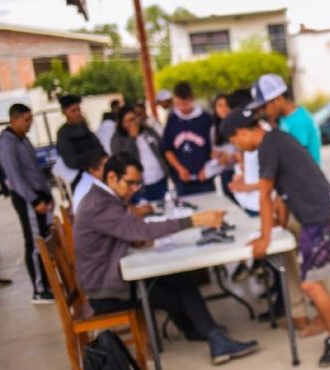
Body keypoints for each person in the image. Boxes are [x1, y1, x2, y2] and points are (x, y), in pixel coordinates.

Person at [74, 153, 259, 365]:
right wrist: (194, 220)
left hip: (106, 281)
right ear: (112, 177)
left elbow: (124, 231)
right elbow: (140, 229)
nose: (135, 189)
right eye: (131, 183)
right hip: (105, 293)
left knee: (178, 279)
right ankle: (211, 336)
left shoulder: (103, 198)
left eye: (138, 184)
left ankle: (203, 331)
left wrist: (133, 239)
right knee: (179, 283)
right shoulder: (100, 204)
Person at [221, 108, 330, 367]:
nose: (236, 148)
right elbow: (282, 192)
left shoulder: (267, 146)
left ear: (242, 132)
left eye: (234, 142)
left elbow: (264, 193)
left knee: (310, 285)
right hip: (327, 211)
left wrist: (265, 237)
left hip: (318, 218)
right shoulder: (277, 139)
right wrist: (276, 225)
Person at [0, 103, 54, 304]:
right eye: (26, 120)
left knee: (45, 241)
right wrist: (34, 199)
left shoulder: (22, 140)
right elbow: (15, 178)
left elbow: (34, 171)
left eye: (31, 119)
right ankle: (39, 289)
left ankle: (48, 284)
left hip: (38, 195)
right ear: (14, 120)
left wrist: (46, 194)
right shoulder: (7, 145)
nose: (30, 124)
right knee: (35, 243)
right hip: (26, 199)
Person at [246, 74, 322, 165]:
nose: (262, 111)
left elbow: (291, 158)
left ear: (278, 99)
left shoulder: (299, 121)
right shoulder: (284, 118)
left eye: (264, 106)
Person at [162, 82, 216, 196]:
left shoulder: (206, 119)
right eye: (178, 104)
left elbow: (215, 149)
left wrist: (208, 169)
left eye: (185, 104)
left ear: (192, 99)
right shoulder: (172, 120)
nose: (182, 108)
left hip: (205, 179)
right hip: (182, 181)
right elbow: (167, 149)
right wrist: (180, 169)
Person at [111, 104, 169, 203]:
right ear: (121, 123)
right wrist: (132, 138)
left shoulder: (148, 130)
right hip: (139, 186)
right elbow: (122, 159)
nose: (133, 123)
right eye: (128, 121)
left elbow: (161, 147)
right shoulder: (117, 139)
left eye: (134, 119)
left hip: (159, 180)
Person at [55, 95, 105, 176]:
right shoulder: (63, 134)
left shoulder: (83, 128)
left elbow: (99, 147)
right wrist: (92, 155)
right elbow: (72, 161)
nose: (77, 113)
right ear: (64, 112)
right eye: (73, 111)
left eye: (78, 110)